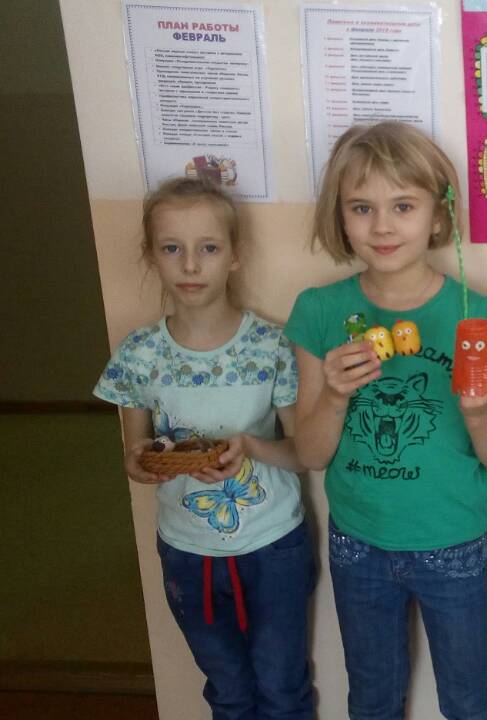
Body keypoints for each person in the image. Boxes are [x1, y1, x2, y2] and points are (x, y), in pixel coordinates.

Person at [286, 121, 487, 720]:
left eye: (403, 206)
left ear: (438, 216)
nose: (382, 226)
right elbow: (310, 454)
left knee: (470, 700)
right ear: (340, 217)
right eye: (362, 207)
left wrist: (479, 414)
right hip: (357, 542)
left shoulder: (481, 316)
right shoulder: (319, 311)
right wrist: (334, 395)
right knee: (372, 700)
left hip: (454, 542)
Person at [94, 177, 315, 719]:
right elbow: (135, 455)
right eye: (172, 248)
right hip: (187, 553)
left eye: (208, 248)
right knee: (229, 692)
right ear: (151, 255)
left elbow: (304, 453)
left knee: (283, 689)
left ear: (235, 256)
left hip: (274, 548)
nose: (190, 265)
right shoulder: (139, 354)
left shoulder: (272, 346)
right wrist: (145, 463)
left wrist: (250, 447)